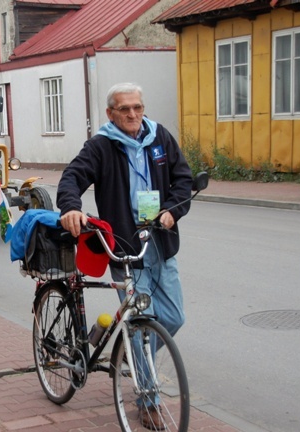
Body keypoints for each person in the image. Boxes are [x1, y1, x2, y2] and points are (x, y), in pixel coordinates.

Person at [57, 82, 193, 430]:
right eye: (124, 109)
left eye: (138, 107)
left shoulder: (159, 136)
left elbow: (182, 179)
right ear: (110, 114)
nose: (133, 115)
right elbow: (72, 177)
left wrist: (172, 211)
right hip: (122, 247)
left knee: (173, 318)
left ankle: (131, 358)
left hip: (159, 242)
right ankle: (147, 400)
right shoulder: (101, 145)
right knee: (136, 326)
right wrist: (72, 208)